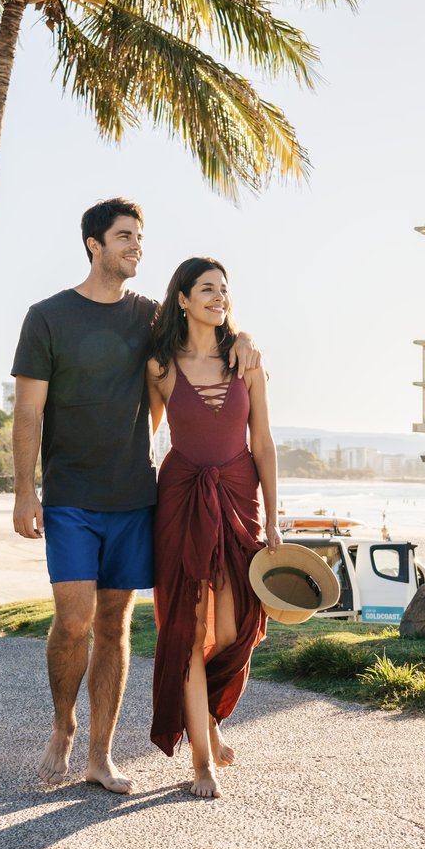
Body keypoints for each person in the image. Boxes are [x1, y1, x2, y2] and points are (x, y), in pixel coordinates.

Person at [11, 200, 261, 794]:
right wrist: (26, 491)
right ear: (93, 245)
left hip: (133, 497)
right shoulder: (47, 317)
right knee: (73, 622)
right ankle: (63, 726)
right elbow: (28, 410)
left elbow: (205, 329)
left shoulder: (149, 316)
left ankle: (100, 756)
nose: (137, 247)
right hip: (70, 494)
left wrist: (245, 335)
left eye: (140, 238)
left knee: (116, 624)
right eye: (125, 237)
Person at [145, 256, 280, 799]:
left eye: (223, 290)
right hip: (180, 500)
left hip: (238, 497)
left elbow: (263, 442)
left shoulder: (246, 359)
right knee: (185, 627)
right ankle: (202, 761)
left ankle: (210, 718)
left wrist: (273, 515)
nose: (217, 297)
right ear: (182, 298)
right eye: (206, 289)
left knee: (234, 628)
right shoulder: (159, 367)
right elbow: (143, 440)